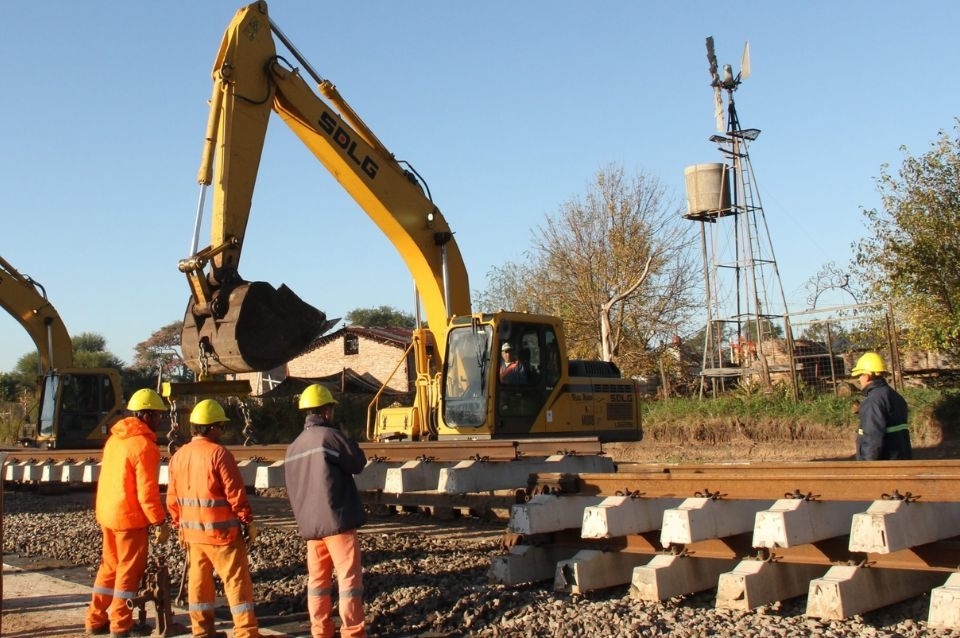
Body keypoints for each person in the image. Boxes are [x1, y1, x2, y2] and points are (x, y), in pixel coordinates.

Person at [166, 399, 260, 638]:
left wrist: (178, 525)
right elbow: (235, 493)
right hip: (222, 535)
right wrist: (247, 521)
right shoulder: (219, 454)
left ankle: (202, 631)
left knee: (198, 584)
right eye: (221, 426)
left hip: (193, 535)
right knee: (236, 581)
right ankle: (246, 632)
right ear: (211, 428)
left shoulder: (178, 456)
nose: (222, 431)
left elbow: (172, 498)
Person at [285, 384, 367, 638]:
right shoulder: (329, 437)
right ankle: (352, 632)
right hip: (337, 521)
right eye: (331, 408)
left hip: (311, 527)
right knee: (348, 580)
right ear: (326, 411)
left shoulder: (294, 447)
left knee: (318, 582)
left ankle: (320, 632)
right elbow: (357, 462)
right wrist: (341, 434)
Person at [85, 388, 170, 638]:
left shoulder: (115, 439)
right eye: (157, 416)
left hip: (108, 513)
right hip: (129, 518)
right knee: (127, 571)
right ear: (146, 415)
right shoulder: (144, 446)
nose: (160, 421)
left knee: (108, 567)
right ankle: (120, 625)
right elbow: (147, 493)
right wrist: (159, 522)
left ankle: (95, 619)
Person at [852, 352, 911, 461]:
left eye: (860, 375)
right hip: (901, 464)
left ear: (867, 376)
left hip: (885, 469)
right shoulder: (896, 397)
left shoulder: (873, 402)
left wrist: (866, 469)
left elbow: (872, 441)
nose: (859, 379)